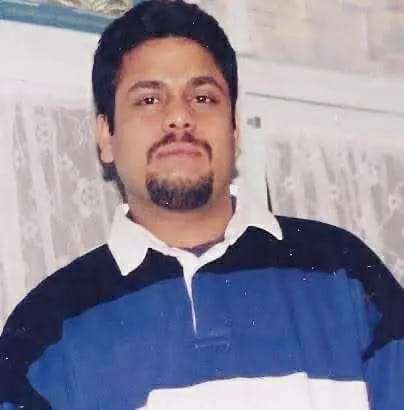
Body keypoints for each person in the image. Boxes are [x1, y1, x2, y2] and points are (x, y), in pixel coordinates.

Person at [1, 1, 403, 409]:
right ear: (106, 136)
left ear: (235, 130)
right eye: (149, 100)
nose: (179, 117)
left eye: (203, 97)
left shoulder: (346, 276)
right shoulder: (43, 335)